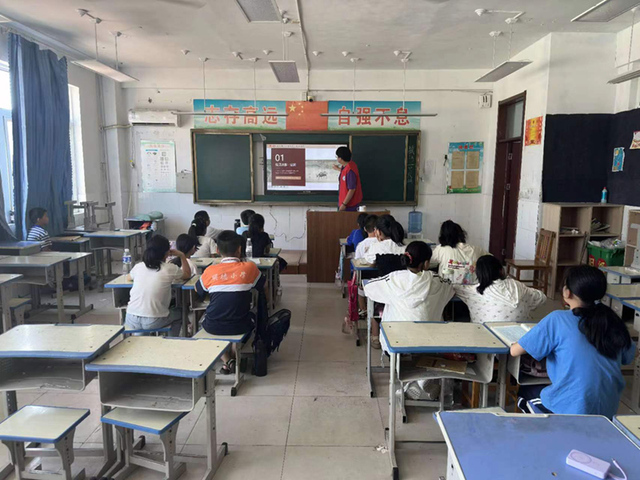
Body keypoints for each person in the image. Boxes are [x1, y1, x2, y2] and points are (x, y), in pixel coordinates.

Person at [511, 265, 636, 419]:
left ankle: (550, 430)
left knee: (525, 392)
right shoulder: (612, 321)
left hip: (570, 411)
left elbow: (515, 351)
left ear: (567, 292)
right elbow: (630, 355)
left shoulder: (557, 319)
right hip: (607, 412)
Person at [197, 231, 266, 374]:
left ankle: (227, 360)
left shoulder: (210, 270)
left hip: (213, 326)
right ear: (240, 249)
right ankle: (234, 357)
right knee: (248, 316)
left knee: (205, 323)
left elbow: (199, 291)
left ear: (217, 250)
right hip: (241, 325)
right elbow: (263, 287)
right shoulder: (249, 267)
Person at [364, 241, 454, 350]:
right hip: (430, 342)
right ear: (426, 263)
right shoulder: (436, 281)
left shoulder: (394, 279)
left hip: (396, 342)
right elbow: (451, 288)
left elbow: (369, 288)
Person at [125, 235, 191, 336]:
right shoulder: (169, 268)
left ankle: (141, 339)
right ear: (167, 253)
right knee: (180, 312)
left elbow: (128, 277)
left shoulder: (139, 267)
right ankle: (172, 341)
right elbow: (187, 274)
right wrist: (182, 255)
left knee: (144, 320)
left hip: (131, 318)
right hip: (153, 320)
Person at [454, 255, 547, 324]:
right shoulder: (517, 285)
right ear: (501, 270)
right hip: (519, 340)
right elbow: (542, 298)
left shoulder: (473, 291)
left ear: (478, 274)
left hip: (484, 340)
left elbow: (452, 287)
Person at [333, 146, 363, 211]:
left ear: (341, 158)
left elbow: (352, 189)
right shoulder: (348, 165)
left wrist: (344, 204)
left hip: (349, 205)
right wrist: (338, 169)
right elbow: (344, 172)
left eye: (337, 157)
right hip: (344, 202)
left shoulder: (350, 170)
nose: (337, 158)